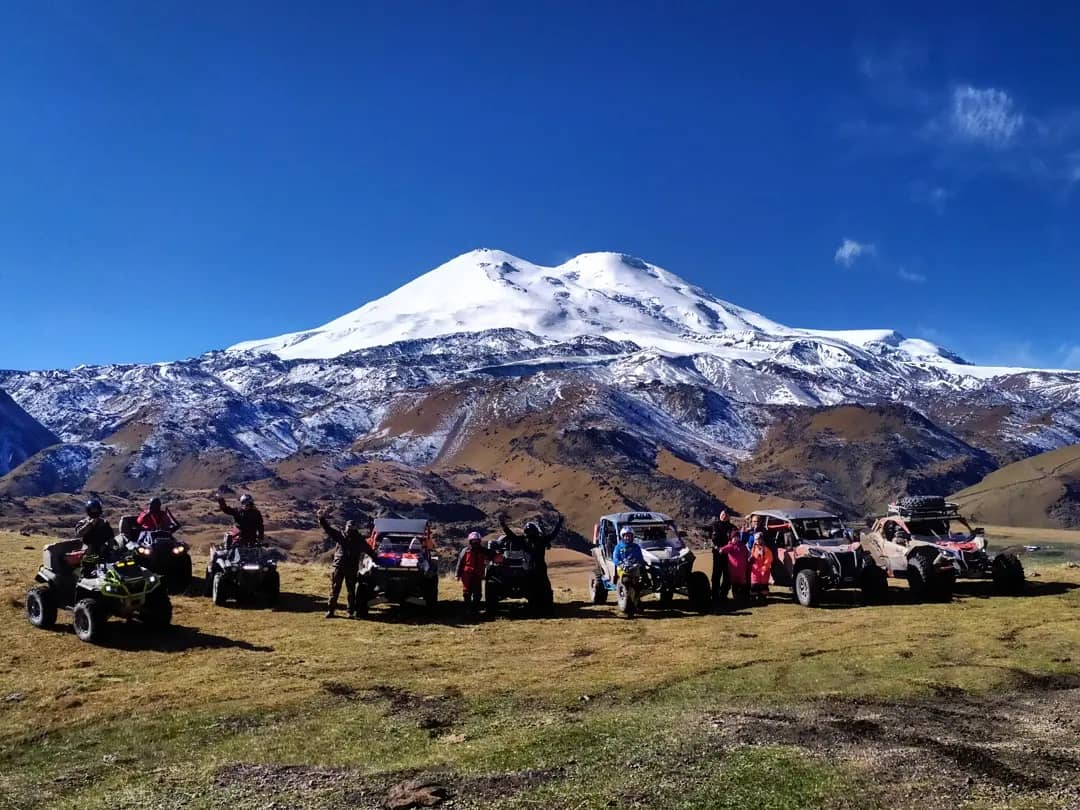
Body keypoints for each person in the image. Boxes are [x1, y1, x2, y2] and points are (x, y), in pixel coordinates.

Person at [317, 507, 378, 619]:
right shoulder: (341, 536)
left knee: (351, 591)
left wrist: (378, 560)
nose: (350, 529)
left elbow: (370, 551)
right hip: (338, 566)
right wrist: (321, 519)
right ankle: (331, 611)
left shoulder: (359, 540)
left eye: (352, 527)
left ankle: (350, 612)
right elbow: (328, 529)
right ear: (346, 527)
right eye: (349, 527)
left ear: (355, 528)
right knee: (335, 589)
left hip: (351, 568)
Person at [499, 514, 563, 605]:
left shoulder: (525, 541)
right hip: (535, 571)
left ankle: (542, 607)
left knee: (540, 591)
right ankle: (544, 607)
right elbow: (553, 535)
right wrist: (559, 524)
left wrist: (503, 524)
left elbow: (511, 536)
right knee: (543, 591)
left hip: (531, 571)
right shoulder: (539, 540)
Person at [74, 499, 116, 575]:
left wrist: (111, 549)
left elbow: (111, 537)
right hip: (88, 548)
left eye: (96, 509)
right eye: (93, 509)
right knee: (87, 564)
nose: (95, 511)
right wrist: (89, 525)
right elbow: (79, 533)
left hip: (102, 548)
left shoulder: (104, 523)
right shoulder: (82, 522)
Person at [456, 531, 490, 612]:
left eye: (477, 541)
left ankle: (475, 608)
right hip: (467, 575)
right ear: (470, 541)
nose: (475, 543)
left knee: (477, 593)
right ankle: (467, 608)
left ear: (479, 541)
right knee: (467, 592)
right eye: (473, 541)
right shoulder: (465, 551)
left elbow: (491, 554)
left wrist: (497, 556)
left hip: (478, 575)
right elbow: (460, 562)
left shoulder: (483, 550)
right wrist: (457, 574)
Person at [709, 509, 737, 602]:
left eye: (726, 515)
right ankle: (714, 595)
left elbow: (736, 538)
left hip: (729, 555)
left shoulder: (732, 527)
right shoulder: (714, 525)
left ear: (729, 516)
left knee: (727, 575)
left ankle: (723, 594)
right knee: (716, 575)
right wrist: (716, 548)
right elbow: (711, 538)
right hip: (717, 554)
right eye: (722, 514)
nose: (724, 516)